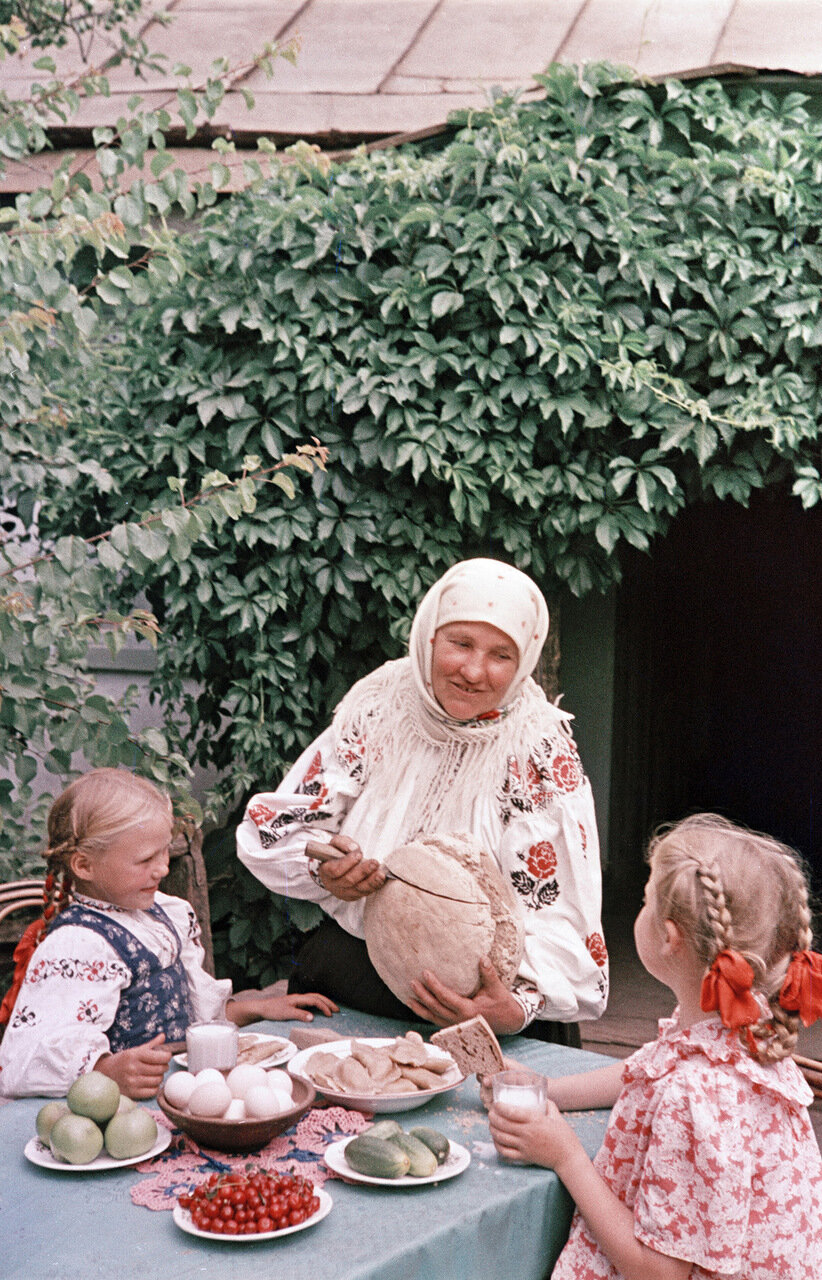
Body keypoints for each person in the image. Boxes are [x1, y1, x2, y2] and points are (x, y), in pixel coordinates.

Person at [237, 558, 607, 1042]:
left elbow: (566, 916)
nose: (474, 671)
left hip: (486, 1008)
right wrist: (325, 871)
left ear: (525, 662)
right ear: (430, 635)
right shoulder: (381, 707)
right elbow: (280, 828)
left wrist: (517, 1005)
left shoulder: (537, 751)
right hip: (362, 971)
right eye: (460, 643)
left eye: (501, 655)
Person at [488, 813, 822, 1280]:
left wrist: (565, 1155)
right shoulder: (745, 1034)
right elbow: (644, 1070)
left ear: (669, 937)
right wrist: (548, 1090)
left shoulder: (694, 1098)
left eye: (645, 900)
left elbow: (660, 1272)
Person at [0, 769, 337, 1099]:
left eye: (164, 851)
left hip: (183, 1094)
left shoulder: (163, 913)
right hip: (123, 1115)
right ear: (84, 866)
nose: (162, 868)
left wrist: (257, 1008)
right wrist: (106, 1071)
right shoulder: (78, 946)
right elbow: (22, 1061)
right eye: (146, 859)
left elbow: (190, 1014)